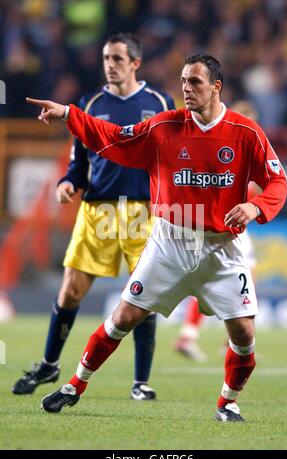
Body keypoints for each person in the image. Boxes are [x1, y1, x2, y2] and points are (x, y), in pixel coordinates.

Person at [27, 54, 287, 421]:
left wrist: (256, 207)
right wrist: (70, 115)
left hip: (220, 247)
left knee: (244, 334)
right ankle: (74, 385)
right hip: (169, 242)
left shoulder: (246, 132)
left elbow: (278, 180)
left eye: (195, 82)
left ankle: (228, 402)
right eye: (183, 80)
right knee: (123, 318)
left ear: (216, 87)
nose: (186, 87)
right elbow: (115, 138)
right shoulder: (164, 126)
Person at [12, 33, 175, 401]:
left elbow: (170, 157)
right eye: (105, 58)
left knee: (142, 297)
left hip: (142, 211)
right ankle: (50, 364)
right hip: (97, 209)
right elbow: (78, 163)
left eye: (117, 58)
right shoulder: (90, 103)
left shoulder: (160, 102)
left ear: (135, 63)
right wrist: (68, 183)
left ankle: (140, 382)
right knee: (69, 291)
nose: (109, 64)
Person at [174, 101, 260, 362]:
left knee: (208, 279)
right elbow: (247, 192)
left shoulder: (225, 145)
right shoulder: (240, 147)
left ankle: (190, 335)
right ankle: (230, 341)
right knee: (245, 278)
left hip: (216, 225)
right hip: (227, 228)